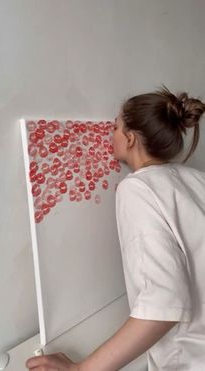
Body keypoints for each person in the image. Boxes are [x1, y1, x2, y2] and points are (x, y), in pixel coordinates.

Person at [26, 86, 205, 371]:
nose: (110, 134)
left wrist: (81, 370)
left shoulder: (137, 188)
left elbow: (163, 305)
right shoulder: (195, 177)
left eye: (115, 127)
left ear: (130, 139)